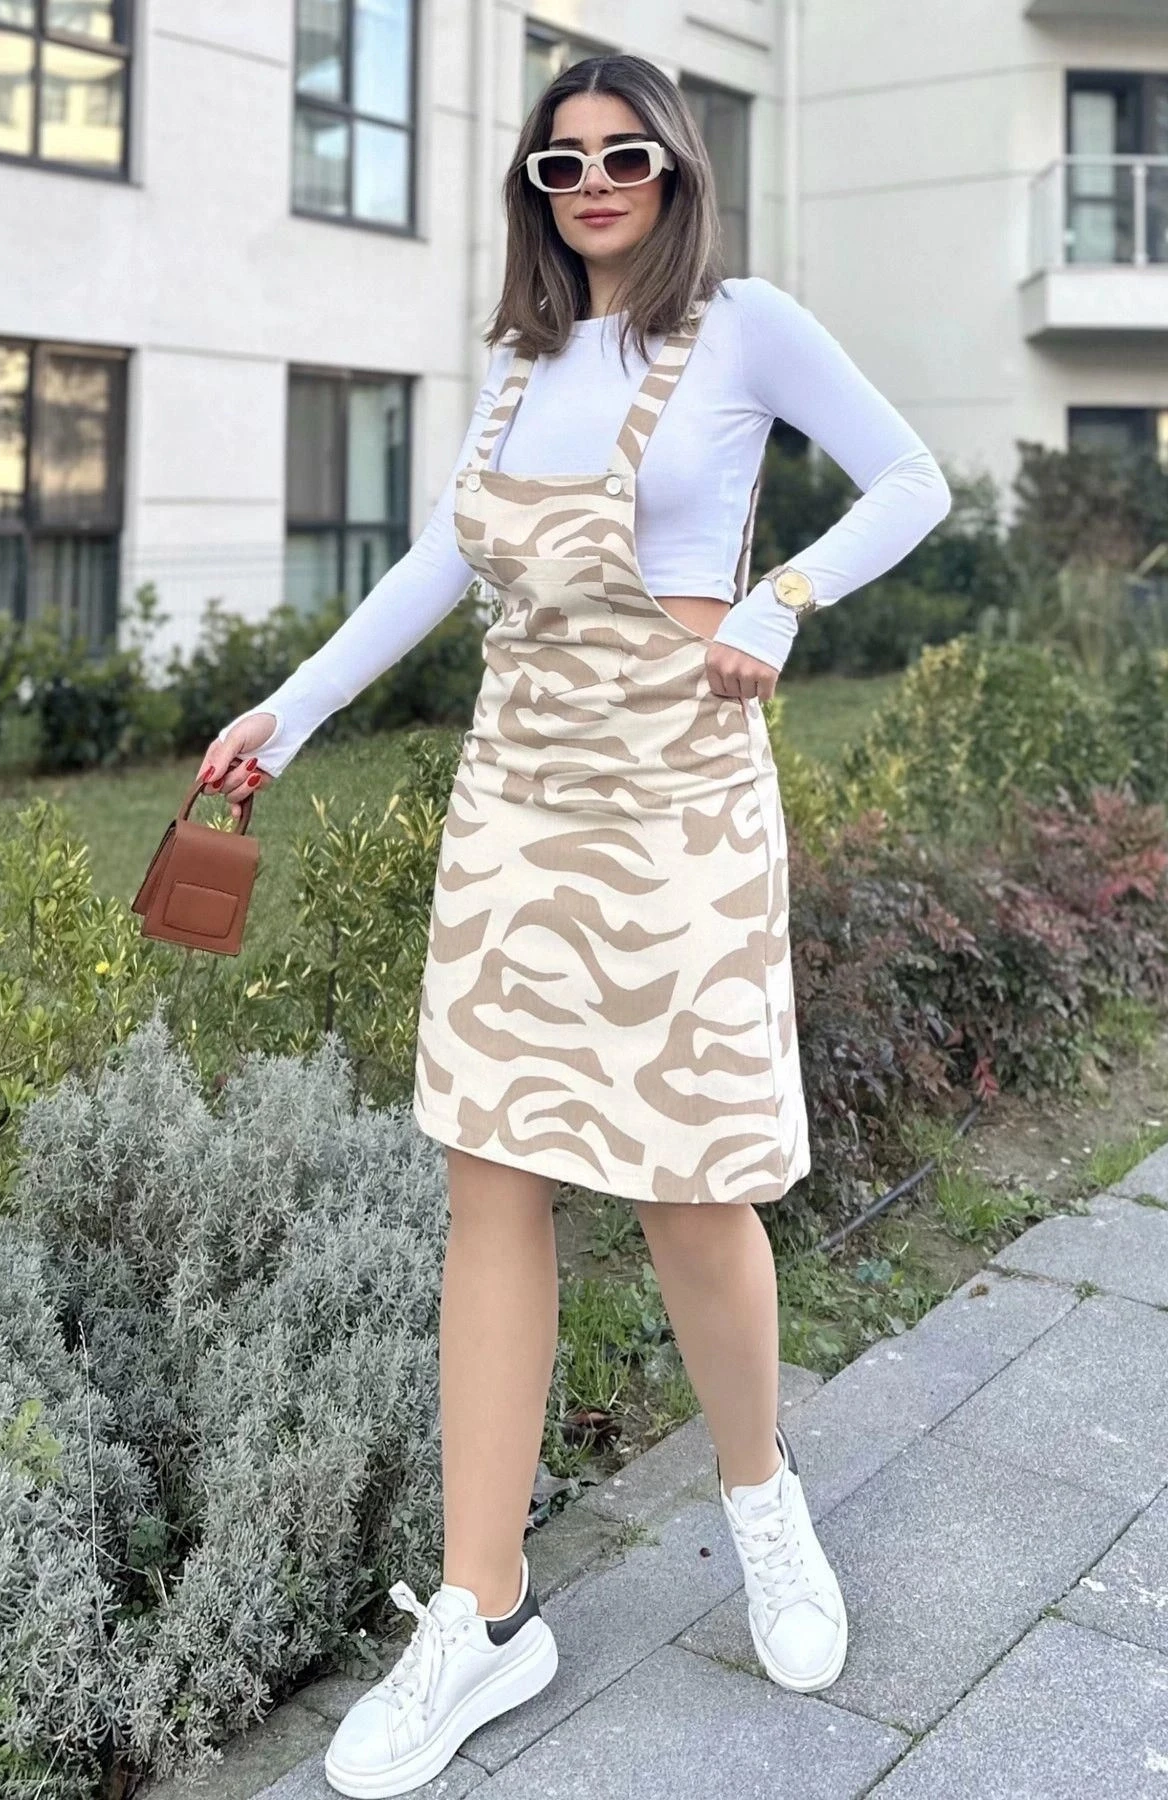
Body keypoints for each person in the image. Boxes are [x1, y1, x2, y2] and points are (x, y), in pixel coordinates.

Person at [198, 51, 951, 1800]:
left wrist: (782, 597)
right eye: (562, 163)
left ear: (677, 168)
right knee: (493, 1177)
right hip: (519, 802)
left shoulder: (745, 328)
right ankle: (481, 1612)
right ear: (535, 191)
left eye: (624, 155)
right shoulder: (521, 359)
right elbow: (433, 568)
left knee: (692, 1181)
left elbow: (913, 480)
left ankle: (760, 1500)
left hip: (679, 798)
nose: (594, 182)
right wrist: (288, 715)